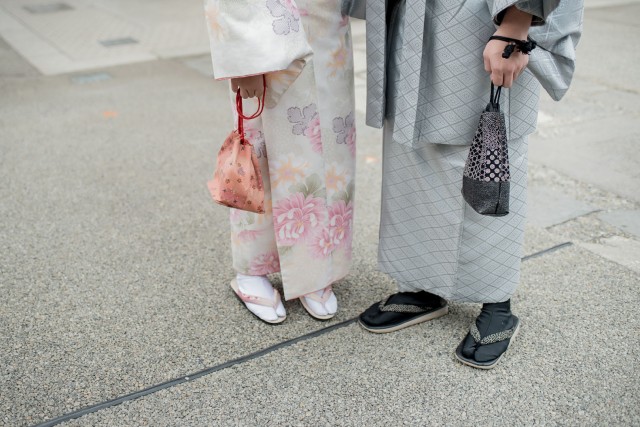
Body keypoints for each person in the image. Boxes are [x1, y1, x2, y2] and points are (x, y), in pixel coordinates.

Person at [355, 0, 584, 368]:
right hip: (413, 17)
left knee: (484, 158)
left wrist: (515, 24)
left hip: (487, 20)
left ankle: (497, 303)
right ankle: (423, 287)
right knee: (412, 153)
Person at [204, 0, 357, 323]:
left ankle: (316, 264)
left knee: (331, 145)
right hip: (264, 28)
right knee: (263, 152)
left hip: (327, 25)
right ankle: (250, 270)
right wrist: (242, 61)